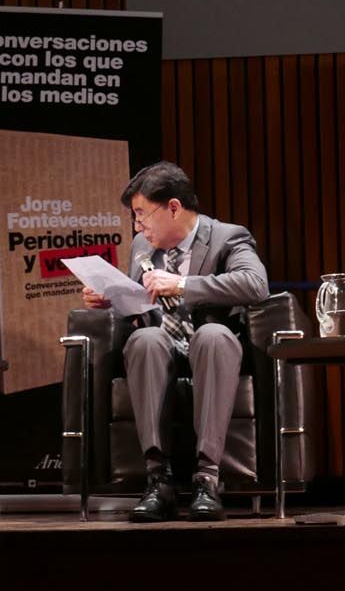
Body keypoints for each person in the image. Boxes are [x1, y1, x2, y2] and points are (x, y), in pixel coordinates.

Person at [81, 162, 269, 522]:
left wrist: (182, 285)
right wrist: (112, 298)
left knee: (212, 335)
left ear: (172, 207)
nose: (137, 226)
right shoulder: (141, 245)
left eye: (141, 214)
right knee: (145, 339)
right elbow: (142, 303)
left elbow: (254, 284)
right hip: (161, 347)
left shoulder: (228, 237)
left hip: (210, 350)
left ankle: (207, 480)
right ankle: (158, 480)